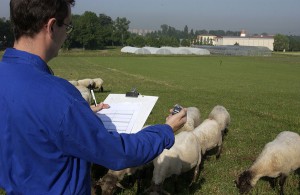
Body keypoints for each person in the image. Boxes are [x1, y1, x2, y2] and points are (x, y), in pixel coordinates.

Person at [0, 0, 187, 194]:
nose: (66, 34)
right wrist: (166, 130)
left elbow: (25, 123)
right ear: (52, 26)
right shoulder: (60, 97)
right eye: (67, 26)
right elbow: (118, 153)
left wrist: (80, 114)